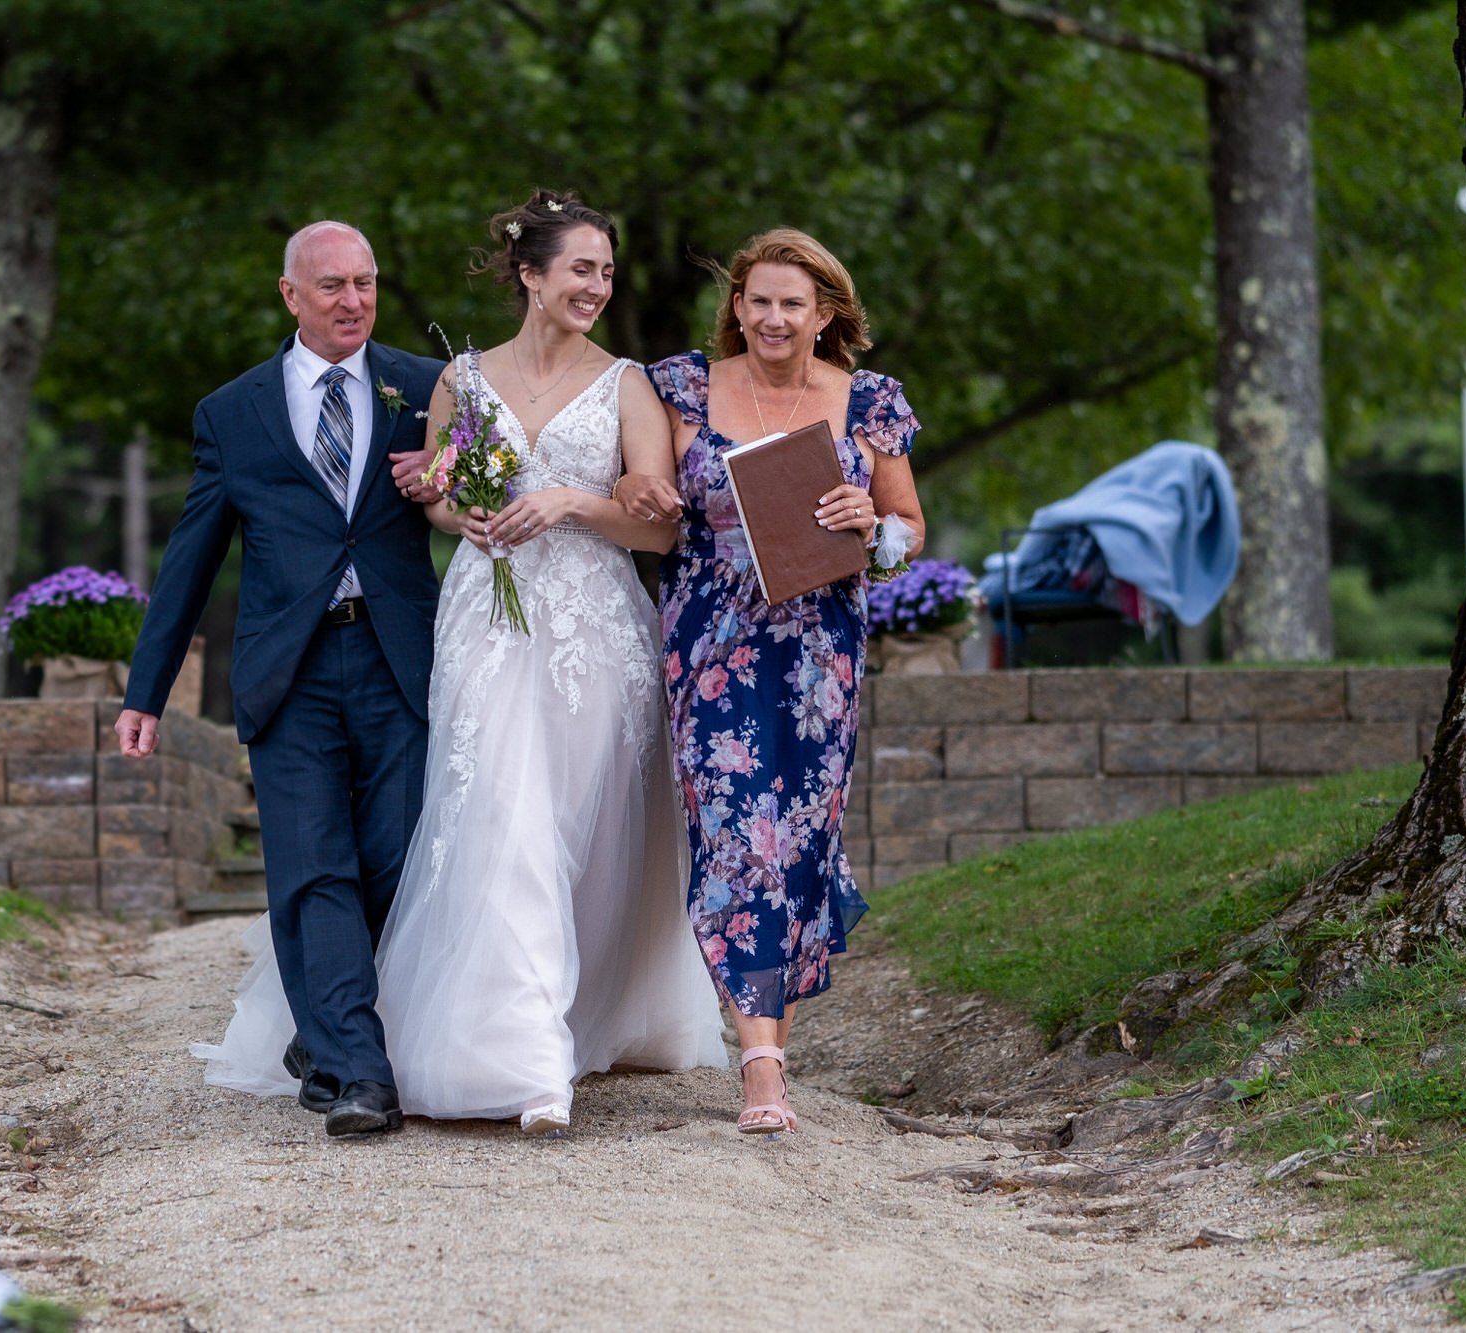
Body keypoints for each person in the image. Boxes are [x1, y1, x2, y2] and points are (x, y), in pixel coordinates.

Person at [196, 189, 725, 1135]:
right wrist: (461, 510)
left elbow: (660, 520)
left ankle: (573, 1008)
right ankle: (524, 1060)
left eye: (605, 272)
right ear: (530, 275)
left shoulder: (629, 383)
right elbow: (436, 497)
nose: (597, 287)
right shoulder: (458, 378)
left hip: (592, 629)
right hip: (487, 618)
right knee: (502, 821)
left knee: (581, 832)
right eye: (581, 270)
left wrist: (567, 501)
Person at [117, 221, 445, 1139]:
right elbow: (192, 556)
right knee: (312, 868)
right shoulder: (234, 411)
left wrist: (451, 479)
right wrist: (147, 689)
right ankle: (356, 1069)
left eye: (367, 282)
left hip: (399, 659)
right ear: (290, 294)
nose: (353, 300)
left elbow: (480, 503)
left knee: (394, 856)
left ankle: (324, 1031)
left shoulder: (425, 387)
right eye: (333, 285)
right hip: (288, 669)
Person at [618, 228, 926, 1134]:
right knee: (739, 836)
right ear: (738, 306)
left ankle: (769, 1047)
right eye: (759, 300)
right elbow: (649, 495)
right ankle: (761, 1067)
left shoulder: (868, 402)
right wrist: (647, 493)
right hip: (711, 649)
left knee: (794, 842)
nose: (774, 318)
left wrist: (873, 524)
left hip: (820, 654)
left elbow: (909, 530)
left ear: (826, 313)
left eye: (793, 303)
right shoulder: (682, 388)